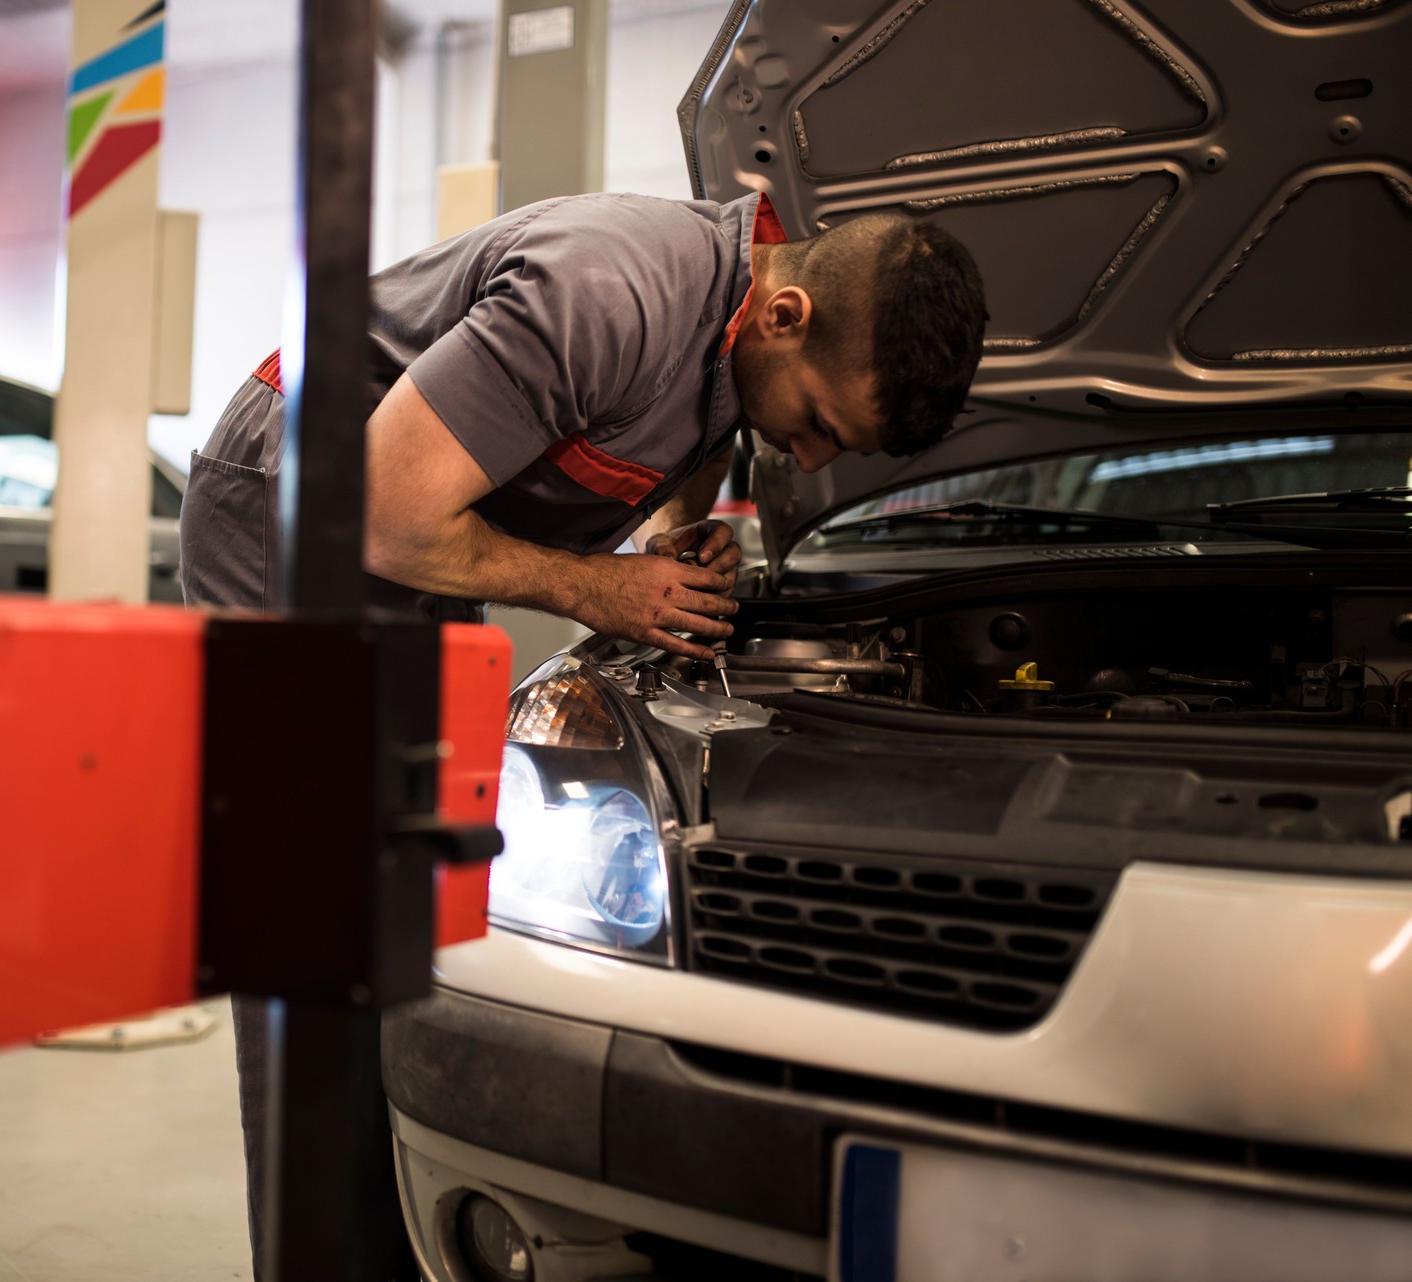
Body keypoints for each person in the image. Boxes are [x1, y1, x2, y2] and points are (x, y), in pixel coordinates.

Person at [180, 189, 987, 1277]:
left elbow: (709, 421)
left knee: (408, 893)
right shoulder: (606, 291)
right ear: (785, 313)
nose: (800, 456)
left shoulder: (743, 331)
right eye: (816, 424)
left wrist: (678, 541)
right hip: (295, 500)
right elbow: (380, 509)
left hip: (411, 525)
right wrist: (599, 591)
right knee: (315, 922)